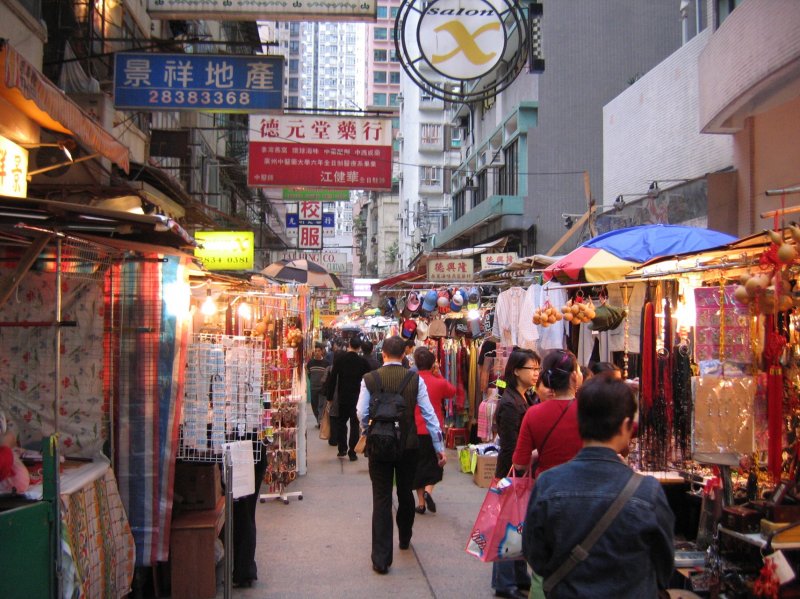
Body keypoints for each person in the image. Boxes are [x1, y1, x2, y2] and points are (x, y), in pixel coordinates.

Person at [522, 377, 675, 598]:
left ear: (580, 422)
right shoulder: (647, 492)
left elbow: (535, 555)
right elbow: (663, 565)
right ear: (625, 426)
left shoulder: (548, 483)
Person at [356, 336, 446, 575]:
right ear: (404, 355)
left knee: (382, 498)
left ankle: (381, 559)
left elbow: (361, 411)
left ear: (383, 354)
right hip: (408, 446)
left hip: (379, 447)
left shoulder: (370, 379)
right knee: (405, 492)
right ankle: (404, 537)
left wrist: (368, 431)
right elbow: (429, 415)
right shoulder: (414, 379)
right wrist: (439, 448)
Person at [491, 348, 541, 599]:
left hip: (521, 473)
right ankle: (505, 582)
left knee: (517, 526)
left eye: (537, 368)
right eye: (531, 368)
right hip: (511, 473)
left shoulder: (526, 398)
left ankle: (518, 576)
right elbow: (511, 447)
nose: (536, 373)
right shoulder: (510, 404)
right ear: (516, 371)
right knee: (507, 528)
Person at [411, 346, 455, 515]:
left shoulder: (411, 380)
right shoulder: (439, 382)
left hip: (415, 430)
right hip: (434, 431)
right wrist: (439, 375)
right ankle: (429, 491)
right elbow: (452, 392)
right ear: (432, 364)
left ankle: (421, 503)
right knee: (434, 465)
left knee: (417, 467)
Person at [326, 336, 370, 460]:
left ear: (349, 344)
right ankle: (352, 452)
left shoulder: (340, 359)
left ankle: (342, 449)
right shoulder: (363, 362)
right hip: (357, 398)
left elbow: (333, 379)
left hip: (343, 397)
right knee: (355, 424)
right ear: (359, 347)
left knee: (341, 422)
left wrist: (330, 397)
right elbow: (368, 380)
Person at [306, 344, 329, 426]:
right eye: (315, 351)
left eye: (318, 351)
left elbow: (327, 375)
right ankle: (318, 419)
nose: (317, 353)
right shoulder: (310, 363)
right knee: (314, 405)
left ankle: (320, 421)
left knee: (322, 405)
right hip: (313, 387)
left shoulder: (326, 363)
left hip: (322, 388)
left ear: (322, 351)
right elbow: (309, 374)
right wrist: (312, 380)